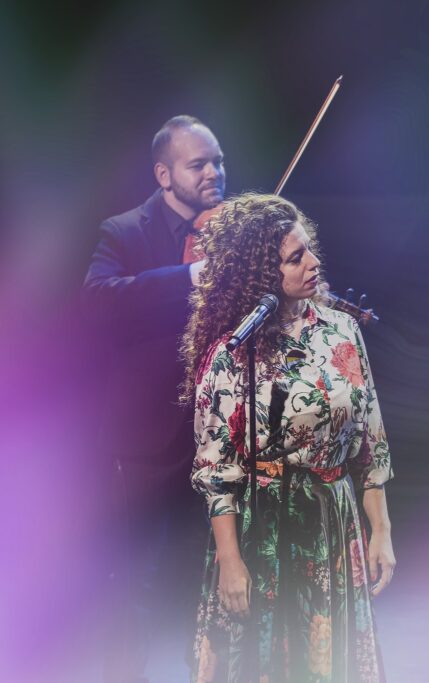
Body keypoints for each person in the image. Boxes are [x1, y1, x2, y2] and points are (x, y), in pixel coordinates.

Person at [181, 193, 395, 682]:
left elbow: (371, 439)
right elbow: (217, 473)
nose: (313, 263)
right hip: (264, 520)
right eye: (295, 258)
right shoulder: (233, 351)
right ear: (260, 276)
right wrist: (230, 561)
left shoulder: (342, 331)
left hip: (330, 518)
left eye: (309, 251)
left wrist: (380, 530)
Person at [82, 114, 225, 682]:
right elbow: (98, 299)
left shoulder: (237, 228)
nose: (214, 172)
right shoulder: (125, 231)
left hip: (220, 436)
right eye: (199, 165)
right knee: (134, 584)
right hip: (145, 442)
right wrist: (189, 276)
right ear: (164, 174)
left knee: (215, 579)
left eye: (219, 161)